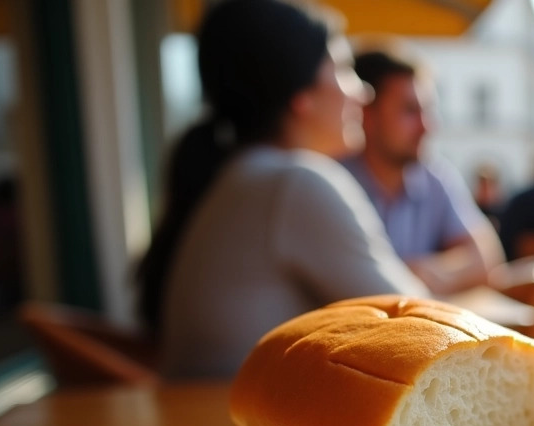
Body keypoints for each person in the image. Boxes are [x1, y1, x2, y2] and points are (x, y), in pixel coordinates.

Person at [137, 0, 425, 379]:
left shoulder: (242, 176)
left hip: (212, 420)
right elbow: (421, 328)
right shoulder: (294, 182)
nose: (362, 92)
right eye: (341, 68)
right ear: (300, 97)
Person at [342, 48, 503, 295]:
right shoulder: (333, 178)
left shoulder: (434, 175)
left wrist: (419, 273)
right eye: (409, 110)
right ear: (366, 114)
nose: (427, 126)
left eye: (427, 110)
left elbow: (486, 256)